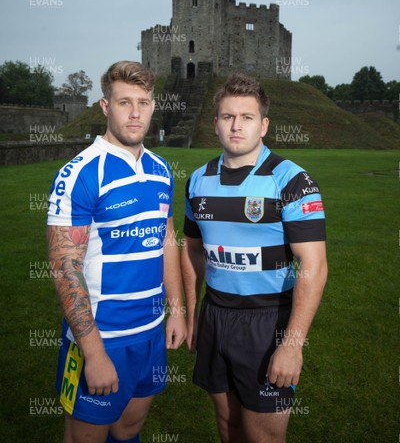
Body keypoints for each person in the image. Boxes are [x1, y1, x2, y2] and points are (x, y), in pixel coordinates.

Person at [181, 73, 327, 443]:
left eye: (246, 117)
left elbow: (314, 266)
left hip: (268, 321)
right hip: (216, 316)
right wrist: (194, 311)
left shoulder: (292, 180)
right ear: (215, 124)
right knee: (228, 426)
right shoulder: (198, 180)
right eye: (228, 116)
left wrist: (292, 344)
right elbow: (193, 248)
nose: (236, 125)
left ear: (263, 125)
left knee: (263, 437)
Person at [47, 61, 187, 443]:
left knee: (129, 429)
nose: (136, 112)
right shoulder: (81, 173)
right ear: (106, 107)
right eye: (125, 102)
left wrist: (176, 310)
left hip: (150, 332)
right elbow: (64, 267)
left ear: (154, 105)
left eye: (143, 102)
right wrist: (93, 353)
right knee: (84, 438)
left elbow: (167, 240)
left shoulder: (161, 170)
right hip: (101, 337)